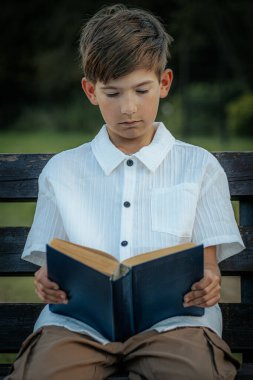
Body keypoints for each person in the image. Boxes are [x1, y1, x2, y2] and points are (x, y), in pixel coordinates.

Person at [6, 4, 244, 380]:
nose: (128, 108)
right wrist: (47, 281)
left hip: (175, 325)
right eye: (113, 93)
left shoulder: (199, 167)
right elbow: (52, 263)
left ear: (164, 83)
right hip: (78, 327)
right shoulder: (62, 171)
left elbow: (208, 266)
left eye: (141, 90)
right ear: (90, 91)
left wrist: (209, 283)